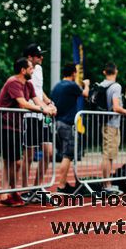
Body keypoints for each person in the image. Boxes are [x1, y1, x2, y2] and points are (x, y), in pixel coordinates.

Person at [0, 58, 54, 206]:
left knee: (11, 161)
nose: (33, 70)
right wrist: (44, 110)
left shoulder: (28, 84)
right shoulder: (13, 82)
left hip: (17, 126)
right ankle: (12, 192)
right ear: (23, 70)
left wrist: (49, 107)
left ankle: (9, 194)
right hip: (5, 125)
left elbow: (38, 100)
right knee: (14, 161)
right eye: (30, 68)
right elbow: (23, 103)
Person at [21, 44, 57, 203]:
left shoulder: (40, 70)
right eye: (38, 55)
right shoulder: (24, 70)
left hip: (42, 115)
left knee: (49, 152)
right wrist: (42, 107)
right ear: (29, 57)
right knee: (28, 155)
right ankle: (22, 190)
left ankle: (36, 187)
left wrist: (49, 102)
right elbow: (28, 93)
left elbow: (38, 90)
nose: (41, 57)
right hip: (30, 116)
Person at [50, 63, 90, 193]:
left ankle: (63, 183)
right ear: (73, 73)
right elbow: (85, 94)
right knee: (68, 155)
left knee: (64, 154)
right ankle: (61, 185)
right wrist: (86, 84)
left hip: (56, 123)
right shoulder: (71, 85)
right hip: (66, 124)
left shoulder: (57, 86)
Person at [100, 62, 126, 193]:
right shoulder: (116, 86)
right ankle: (107, 185)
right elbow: (116, 107)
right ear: (116, 71)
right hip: (112, 124)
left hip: (105, 122)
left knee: (108, 154)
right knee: (108, 155)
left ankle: (107, 183)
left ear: (104, 72)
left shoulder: (102, 84)